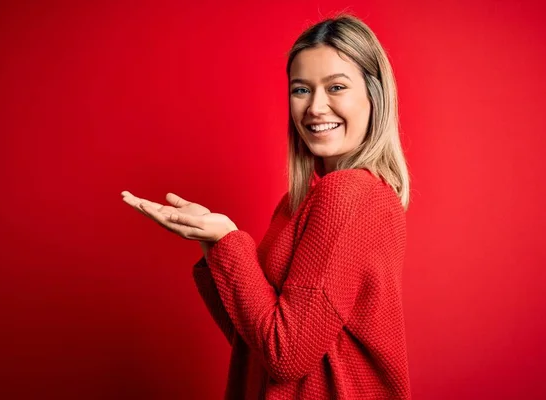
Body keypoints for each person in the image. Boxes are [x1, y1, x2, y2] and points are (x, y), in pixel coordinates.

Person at [122, 13, 411, 399]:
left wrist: (229, 238)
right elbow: (256, 342)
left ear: (374, 96)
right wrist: (213, 245)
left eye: (336, 87)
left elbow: (285, 355)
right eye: (301, 90)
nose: (316, 108)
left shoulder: (350, 195)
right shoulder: (299, 202)